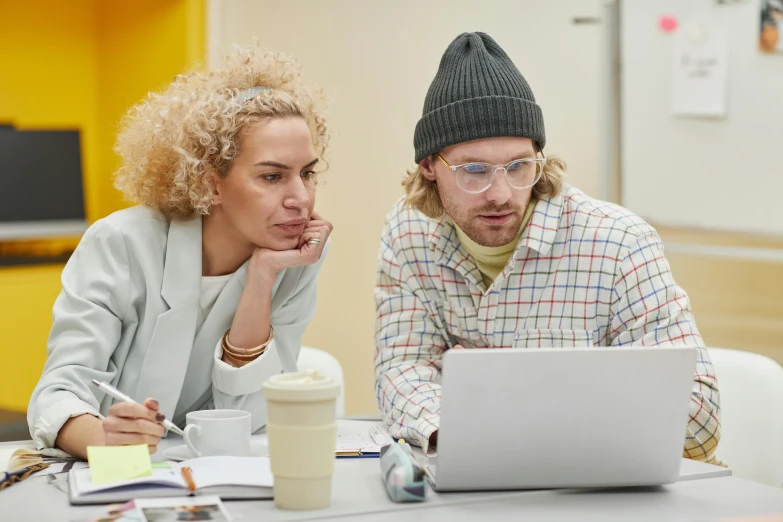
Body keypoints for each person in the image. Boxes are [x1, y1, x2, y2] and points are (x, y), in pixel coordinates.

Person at [374, 32, 721, 463]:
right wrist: (460, 430)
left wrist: (511, 397)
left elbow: (700, 420)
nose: (500, 193)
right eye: (474, 170)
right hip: (472, 483)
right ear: (429, 166)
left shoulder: (619, 244)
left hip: (593, 491)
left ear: (540, 157)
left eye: (519, 166)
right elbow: (400, 370)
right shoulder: (408, 232)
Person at [28, 47, 332, 459]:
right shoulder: (121, 243)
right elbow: (57, 394)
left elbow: (251, 416)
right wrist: (105, 441)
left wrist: (262, 277)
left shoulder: (294, 258)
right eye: (273, 176)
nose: (301, 198)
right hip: (110, 478)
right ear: (211, 185)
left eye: (308, 173)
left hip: (211, 482)